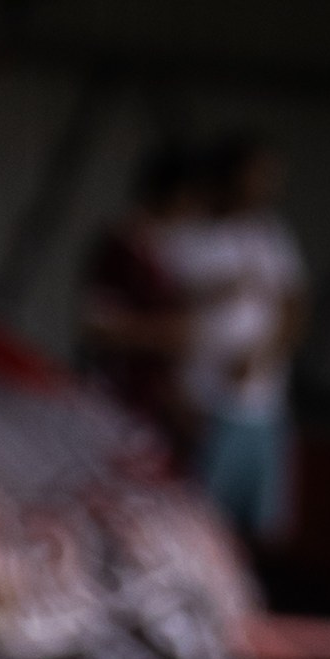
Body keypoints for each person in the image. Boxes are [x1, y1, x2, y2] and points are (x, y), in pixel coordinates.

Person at [171, 137, 306, 545]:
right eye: (257, 174)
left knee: (260, 530)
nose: (267, 184)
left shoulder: (272, 239)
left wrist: (264, 356)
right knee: (202, 523)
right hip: (205, 403)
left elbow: (296, 307)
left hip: (263, 405)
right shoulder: (190, 238)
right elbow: (166, 311)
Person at [79, 145, 204, 453]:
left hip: (156, 408)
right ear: (175, 194)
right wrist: (169, 334)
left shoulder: (169, 253)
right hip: (115, 406)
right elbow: (98, 327)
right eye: (194, 197)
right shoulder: (121, 248)